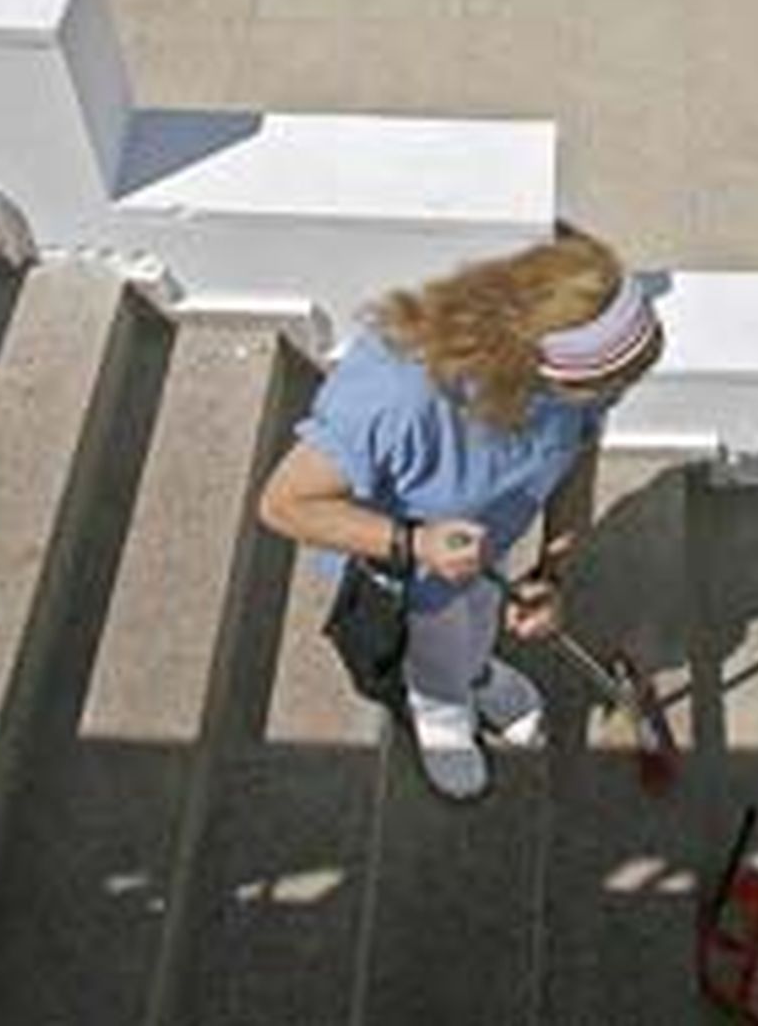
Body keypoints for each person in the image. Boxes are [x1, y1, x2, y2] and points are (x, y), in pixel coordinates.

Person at [258, 229, 664, 802]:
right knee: (437, 643)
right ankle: (441, 709)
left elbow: (577, 454)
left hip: (485, 547)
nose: (610, 399)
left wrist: (552, 573)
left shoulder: (579, 385)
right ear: (536, 367)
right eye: (603, 388)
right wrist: (416, 543)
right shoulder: (398, 395)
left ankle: (475, 672)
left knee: (477, 617)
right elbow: (283, 503)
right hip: (413, 567)